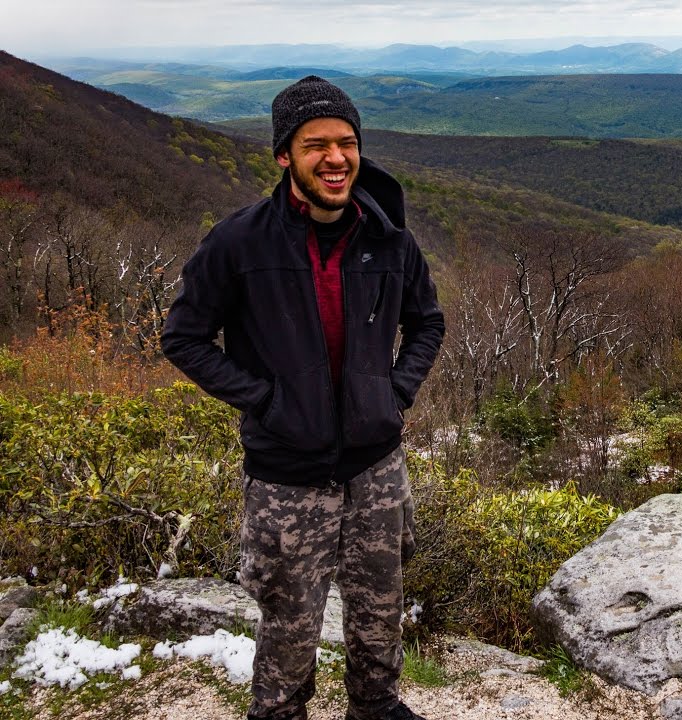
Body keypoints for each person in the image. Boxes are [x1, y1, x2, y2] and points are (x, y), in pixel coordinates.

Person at [162, 75, 445, 720]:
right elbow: (185, 337)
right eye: (315, 143)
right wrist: (264, 399)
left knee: (381, 602)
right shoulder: (240, 242)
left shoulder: (389, 238)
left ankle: (375, 705)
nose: (336, 158)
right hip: (287, 471)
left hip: (376, 463)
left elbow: (426, 321)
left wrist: (395, 391)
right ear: (284, 155)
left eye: (346, 142)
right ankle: (280, 711)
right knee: (289, 618)